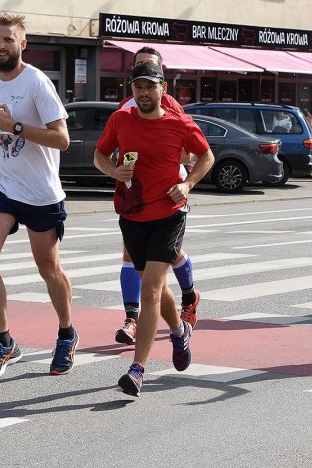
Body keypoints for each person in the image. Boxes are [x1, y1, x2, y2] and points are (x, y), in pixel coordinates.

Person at [95, 60, 215, 397]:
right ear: (132, 90)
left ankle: (137, 369)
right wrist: (113, 172)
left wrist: (188, 184)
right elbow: (100, 155)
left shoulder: (179, 123)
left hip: (169, 214)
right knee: (156, 287)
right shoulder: (120, 120)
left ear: (163, 88)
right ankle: (178, 331)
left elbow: (206, 157)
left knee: (148, 288)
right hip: (132, 214)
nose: (144, 93)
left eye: (150, 86)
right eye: (138, 87)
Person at [0, 13, 77, 380]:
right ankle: (4, 341)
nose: (1, 47)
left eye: (8, 40)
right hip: (1, 183)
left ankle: (66, 333)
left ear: (22, 44)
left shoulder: (37, 83)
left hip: (41, 192)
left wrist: (14, 127)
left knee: (48, 269)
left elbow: (62, 139)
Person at [114, 46, 200, 346]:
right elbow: (112, 148)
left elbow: (190, 153)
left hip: (168, 197)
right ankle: (131, 317)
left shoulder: (172, 107)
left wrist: (168, 164)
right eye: (138, 69)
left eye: (150, 69)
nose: (143, 80)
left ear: (161, 78)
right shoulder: (125, 108)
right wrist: (120, 168)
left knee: (168, 258)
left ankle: (189, 295)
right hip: (133, 198)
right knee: (130, 255)